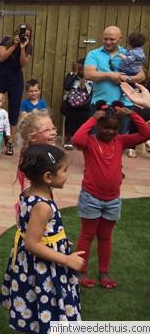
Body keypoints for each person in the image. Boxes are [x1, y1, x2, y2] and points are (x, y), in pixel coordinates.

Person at [0, 145, 84, 334]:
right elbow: (32, 243)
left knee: (35, 303)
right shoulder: (42, 206)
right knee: (47, 304)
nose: (67, 175)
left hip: (32, 261)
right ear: (48, 177)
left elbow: (34, 229)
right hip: (43, 267)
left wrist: (58, 240)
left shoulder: (30, 192)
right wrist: (66, 259)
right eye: (64, 170)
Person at [71, 100, 150, 289]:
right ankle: (81, 271)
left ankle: (104, 272)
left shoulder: (120, 141)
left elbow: (146, 134)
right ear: (97, 126)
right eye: (105, 127)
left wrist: (132, 114)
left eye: (114, 128)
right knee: (87, 235)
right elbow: (77, 139)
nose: (110, 131)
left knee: (106, 236)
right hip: (90, 197)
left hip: (113, 200)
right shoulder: (89, 142)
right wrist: (92, 118)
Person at [83, 26, 145, 157]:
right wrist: (110, 75)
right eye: (105, 39)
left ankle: (115, 165)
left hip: (124, 105)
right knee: (95, 139)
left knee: (119, 140)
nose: (108, 42)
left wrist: (126, 79)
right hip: (100, 103)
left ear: (120, 39)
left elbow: (141, 76)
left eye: (112, 39)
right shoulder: (94, 54)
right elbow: (88, 74)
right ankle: (95, 164)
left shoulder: (129, 53)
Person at [0, 24, 33, 155]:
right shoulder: (6, 40)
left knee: (14, 108)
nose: (24, 36)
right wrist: (14, 45)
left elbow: (23, 63)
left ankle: (10, 141)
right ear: (16, 32)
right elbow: (2, 57)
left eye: (27, 35)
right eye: (22, 34)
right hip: (1, 75)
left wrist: (22, 47)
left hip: (16, 77)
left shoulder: (28, 47)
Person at [15, 111, 58, 192]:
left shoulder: (45, 154)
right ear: (32, 137)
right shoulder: (33, 160)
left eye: (53, 128)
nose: (53, 133)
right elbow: (29, 190)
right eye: (47, 130)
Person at [61, 59, 92, 150]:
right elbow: (66, 86)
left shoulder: (91, 78)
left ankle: (82, 140)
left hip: (86, 105)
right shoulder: (72, 75)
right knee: (71, 114)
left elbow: (93, 91)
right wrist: (75, 74)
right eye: (80, 68)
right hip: (70, 105)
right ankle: (68, 139)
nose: (82, 70)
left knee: (86, 115)